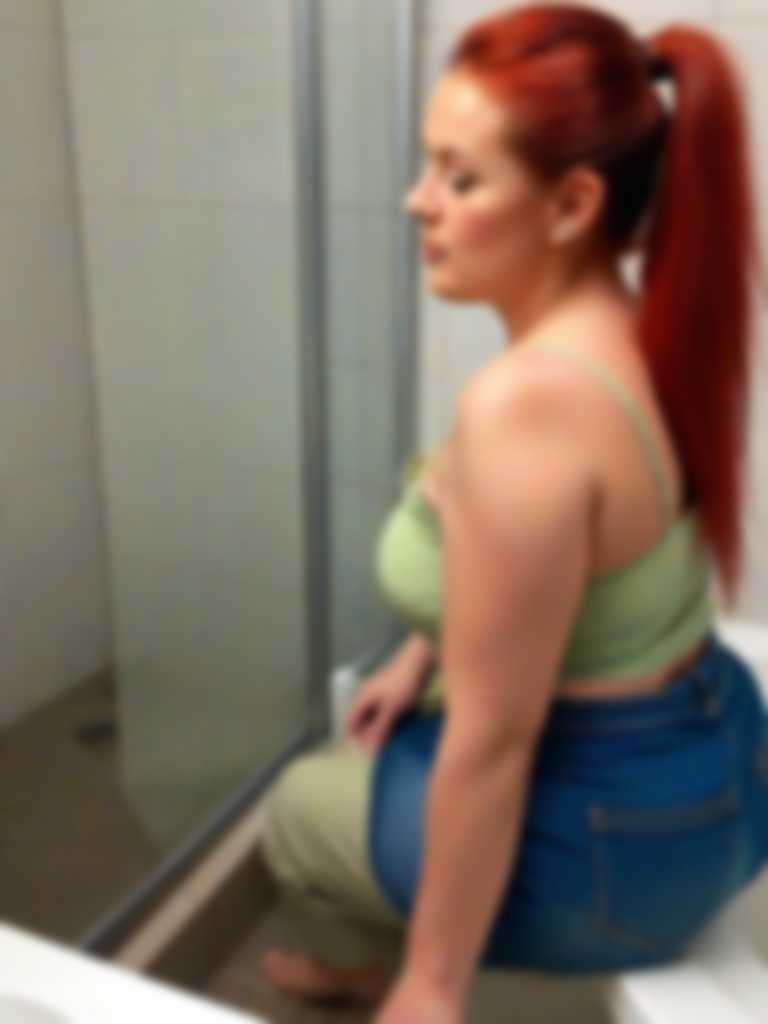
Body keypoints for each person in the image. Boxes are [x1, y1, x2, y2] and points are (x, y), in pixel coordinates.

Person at [258, 4, 768, 1021]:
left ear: (572, 204)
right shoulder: (634, 329)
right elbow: (546, 575)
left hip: (621, 849)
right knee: (395, 739)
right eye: (428, 167)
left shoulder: (529, 404)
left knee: (300, 809)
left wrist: (432, 984)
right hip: (718, 767)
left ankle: (365, 967)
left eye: (459, 178)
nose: (416, 202)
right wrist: (419, 655)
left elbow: (494, 743)